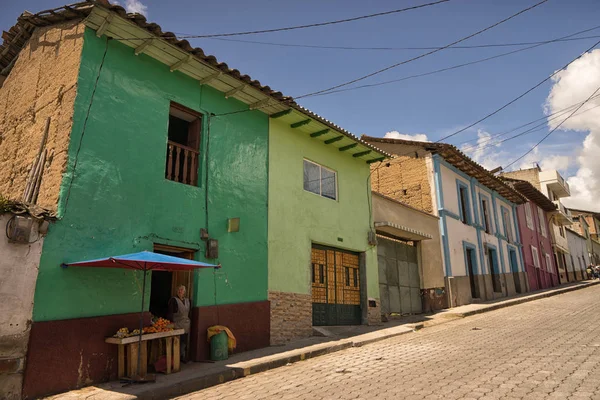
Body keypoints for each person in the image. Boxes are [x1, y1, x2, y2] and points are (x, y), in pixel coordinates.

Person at [167, 285, 191, 362]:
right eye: (179, 290)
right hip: (176, 323)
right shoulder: (174, 300)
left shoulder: (187, 301)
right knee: (176, 341)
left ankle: (182, 356)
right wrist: (170, 323)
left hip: (186, 324)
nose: (180, 291)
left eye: (182, 290)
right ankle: (175, 358)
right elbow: (170, 313)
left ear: (184, 292)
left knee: (184, 340)